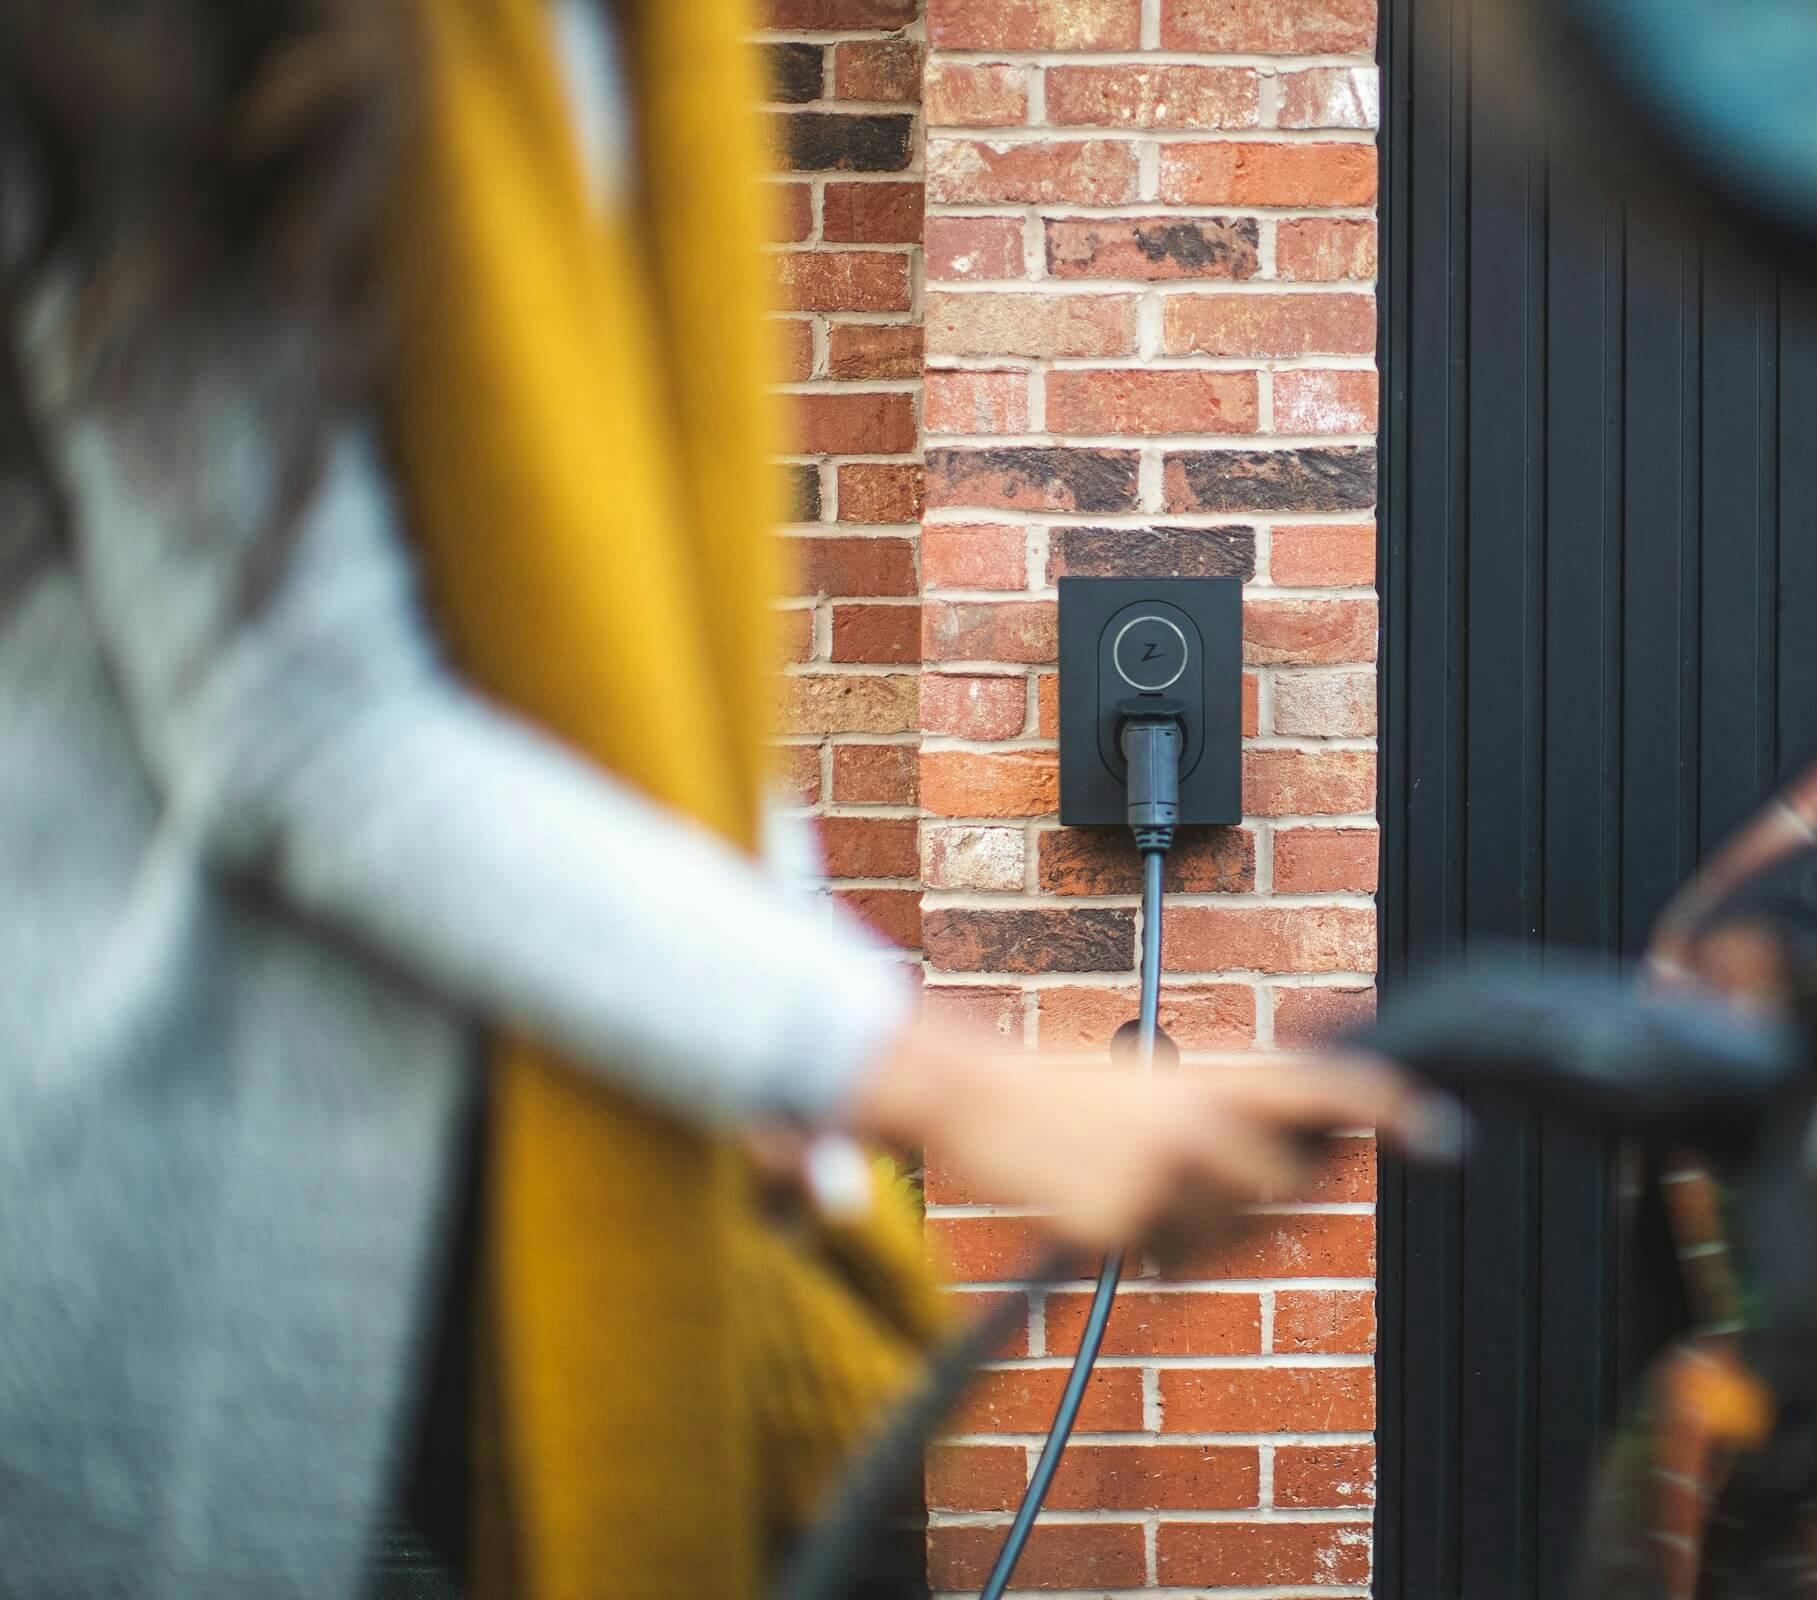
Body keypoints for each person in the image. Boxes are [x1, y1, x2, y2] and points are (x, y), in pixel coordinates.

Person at [0, 3, 1447, 1597]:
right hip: (225, 1240)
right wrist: (954, 1087)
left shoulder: (637, 46)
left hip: (581, 1171)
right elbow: (303, 724)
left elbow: (647, 684)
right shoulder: (155, 42)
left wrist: (789, 1033)